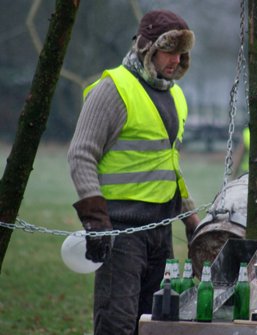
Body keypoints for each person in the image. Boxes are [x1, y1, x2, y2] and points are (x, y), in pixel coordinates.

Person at [68, 9, 199, 335]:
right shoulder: (113, 88)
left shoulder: (176, 96)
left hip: (160, 233)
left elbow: (168, 166)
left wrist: (191, 219)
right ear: (147, 48)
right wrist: (97, 221)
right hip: (120, 233)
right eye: (169, 50)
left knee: (154, 325)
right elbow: (81, 154)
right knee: (117, 325)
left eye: (181, 53)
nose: (176, 60)